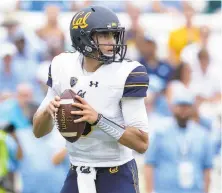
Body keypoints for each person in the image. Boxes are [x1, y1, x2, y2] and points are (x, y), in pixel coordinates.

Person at [33, 5, 149, 193]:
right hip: (77, 171)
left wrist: (98, 119)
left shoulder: (128, 72)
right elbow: (38, 131)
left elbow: (142, 143)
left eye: (114, 35)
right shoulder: (62, 65)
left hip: (116, 172)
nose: (112, 42)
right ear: (83, 38)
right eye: (104, 35)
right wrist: (48, 111)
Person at [144, 89, 213, 193]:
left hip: (194, 189)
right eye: (180, 106)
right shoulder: (160, 132)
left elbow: (207, 168)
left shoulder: (202, 134)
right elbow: (149, 164)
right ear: (172, 107)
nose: (183, 110)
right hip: (165, 189)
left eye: (187, 106)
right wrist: (149, 190)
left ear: (192, 109)